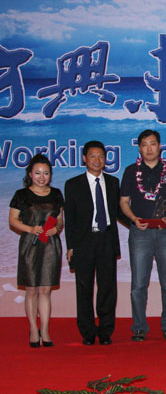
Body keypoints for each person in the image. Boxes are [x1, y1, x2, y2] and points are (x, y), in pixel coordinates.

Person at [120, 130, 166, 342]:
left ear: (160, 146)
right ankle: (138, 327)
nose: (149, 148)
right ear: (139, 148)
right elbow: (123, 202)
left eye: (152, 143)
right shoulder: (130, 171)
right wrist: (133, 219)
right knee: (138, 284)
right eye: (144, 144)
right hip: (140, 232)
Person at [64, 141, 121, 345]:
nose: (97, 160)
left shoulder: (113, 182)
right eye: (92, 156)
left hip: (106, 239)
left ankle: (105, 332)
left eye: (101, 156)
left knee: (107, 288)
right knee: (84, 288)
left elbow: (119, 211)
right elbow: (70, 219)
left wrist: (138, 220)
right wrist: (70, 246)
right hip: (83, 241)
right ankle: (87, 333)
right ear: (84, 159)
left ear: (105, 159)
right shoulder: (73, 184)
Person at [9, 154, 63, 348]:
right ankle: (33, 329)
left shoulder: (56, 194)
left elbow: (60, 220)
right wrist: (30, 229)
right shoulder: (21, 195)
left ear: (50, 174)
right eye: (38, 173)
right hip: (29, 244)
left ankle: (45, 331)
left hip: (50, 245)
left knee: (45, 290)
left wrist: (56, 228)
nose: (42, 177)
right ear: (30, 174)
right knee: (31, 289)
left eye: (46, 173)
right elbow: (13, 221)